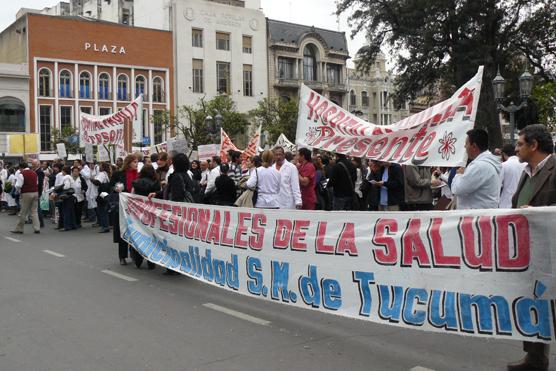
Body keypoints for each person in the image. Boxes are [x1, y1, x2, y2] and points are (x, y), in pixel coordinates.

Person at [508, 124, 556, 371]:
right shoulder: (526, 172)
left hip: (552, 251)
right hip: (531, 251)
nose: (516, 148)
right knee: (533, 304)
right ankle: (535, 358)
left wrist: (538, 212)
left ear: (534, 145)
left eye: (520, 144)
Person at [451, 129, 501, 209]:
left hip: (476, 218)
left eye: (466, 144)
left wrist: (458, 174)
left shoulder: (479, 166)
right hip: (481, 216)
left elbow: (457, 189)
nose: (465, 147)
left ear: (474, 146)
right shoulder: (485, 164)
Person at [130, 164, 160, 270]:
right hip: (151, 212)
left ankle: (137, 259)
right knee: (151, 236)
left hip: (138, 212)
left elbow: (132, 196)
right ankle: (151, 261)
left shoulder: (136, 182)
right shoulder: (155, 183)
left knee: (139, 234)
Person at [111, 155, 139, 265]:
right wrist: (116, 188)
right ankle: (122, 256)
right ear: (128, 163)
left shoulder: (138, 175)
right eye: (134, 162)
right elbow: (110, 186)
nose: (136, 164)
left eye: (137, 162)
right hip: (121, 206)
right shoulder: (118, 174)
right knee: (122, 230)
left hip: (134, 207)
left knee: (134, 231)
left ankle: (133, 253)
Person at [11, 163, 40, 234]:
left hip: (26, 193)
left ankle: (19, 229)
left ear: (21, 168)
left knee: (23, 212)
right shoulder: (34, 173)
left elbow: (18, 185)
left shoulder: (22, 174)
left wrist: (19, 191)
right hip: (35, 192)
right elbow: (37, 183)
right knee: (34, 211)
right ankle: (37, 228)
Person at [499, 143, 526, 209]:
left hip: (506, 202)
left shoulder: (503, 165)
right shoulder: (525, 164)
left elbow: (498, 184)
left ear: (504, 154)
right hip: (521, 202)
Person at [92, 162, 111, 233]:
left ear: (103, 167)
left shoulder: (102, 174)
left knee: (102, 211)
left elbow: (98, 182)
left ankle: (105, 226)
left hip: (102, 194)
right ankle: (105, 226)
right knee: (104, 210)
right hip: (105, 193)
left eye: (100, 166)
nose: (99, 167)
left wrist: (92, 179)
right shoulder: (106, 174)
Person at [58, 166, 77, 232]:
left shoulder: (66, 177)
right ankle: (73, 225)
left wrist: (61, 187)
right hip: (72, 195)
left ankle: (66, 226)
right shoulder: (70, 177)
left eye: (62, 171)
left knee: (66, 211)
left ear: (64, 171)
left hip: (68, 196)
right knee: (71, 211)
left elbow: (67, 186)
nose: (62, 172)